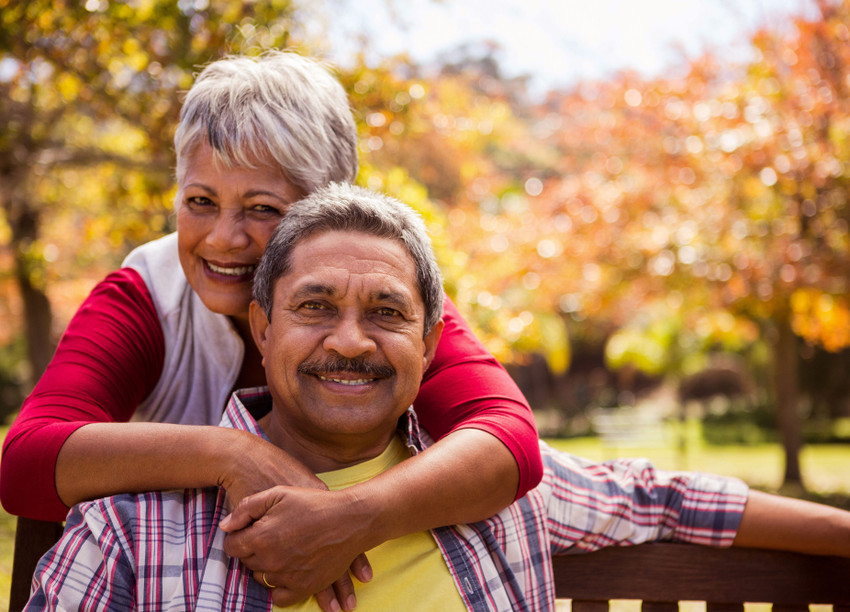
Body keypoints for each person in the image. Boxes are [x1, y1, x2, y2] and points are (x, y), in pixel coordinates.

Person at [25, 184, 850, 611]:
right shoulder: (129, 530)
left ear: (428, 346)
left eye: (385, 313)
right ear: (262, 329)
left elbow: (668, 501)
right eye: (316, 308)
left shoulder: (504, 496)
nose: (351, 340)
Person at [0, 51, 542, 610]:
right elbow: (26, 461)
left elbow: (508, 437)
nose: (224, 239)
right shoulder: (146, 295)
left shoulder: (379, 302)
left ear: (329, 209)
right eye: (200, 201)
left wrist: (350, 519)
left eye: (262, 208)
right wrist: (231, 455)